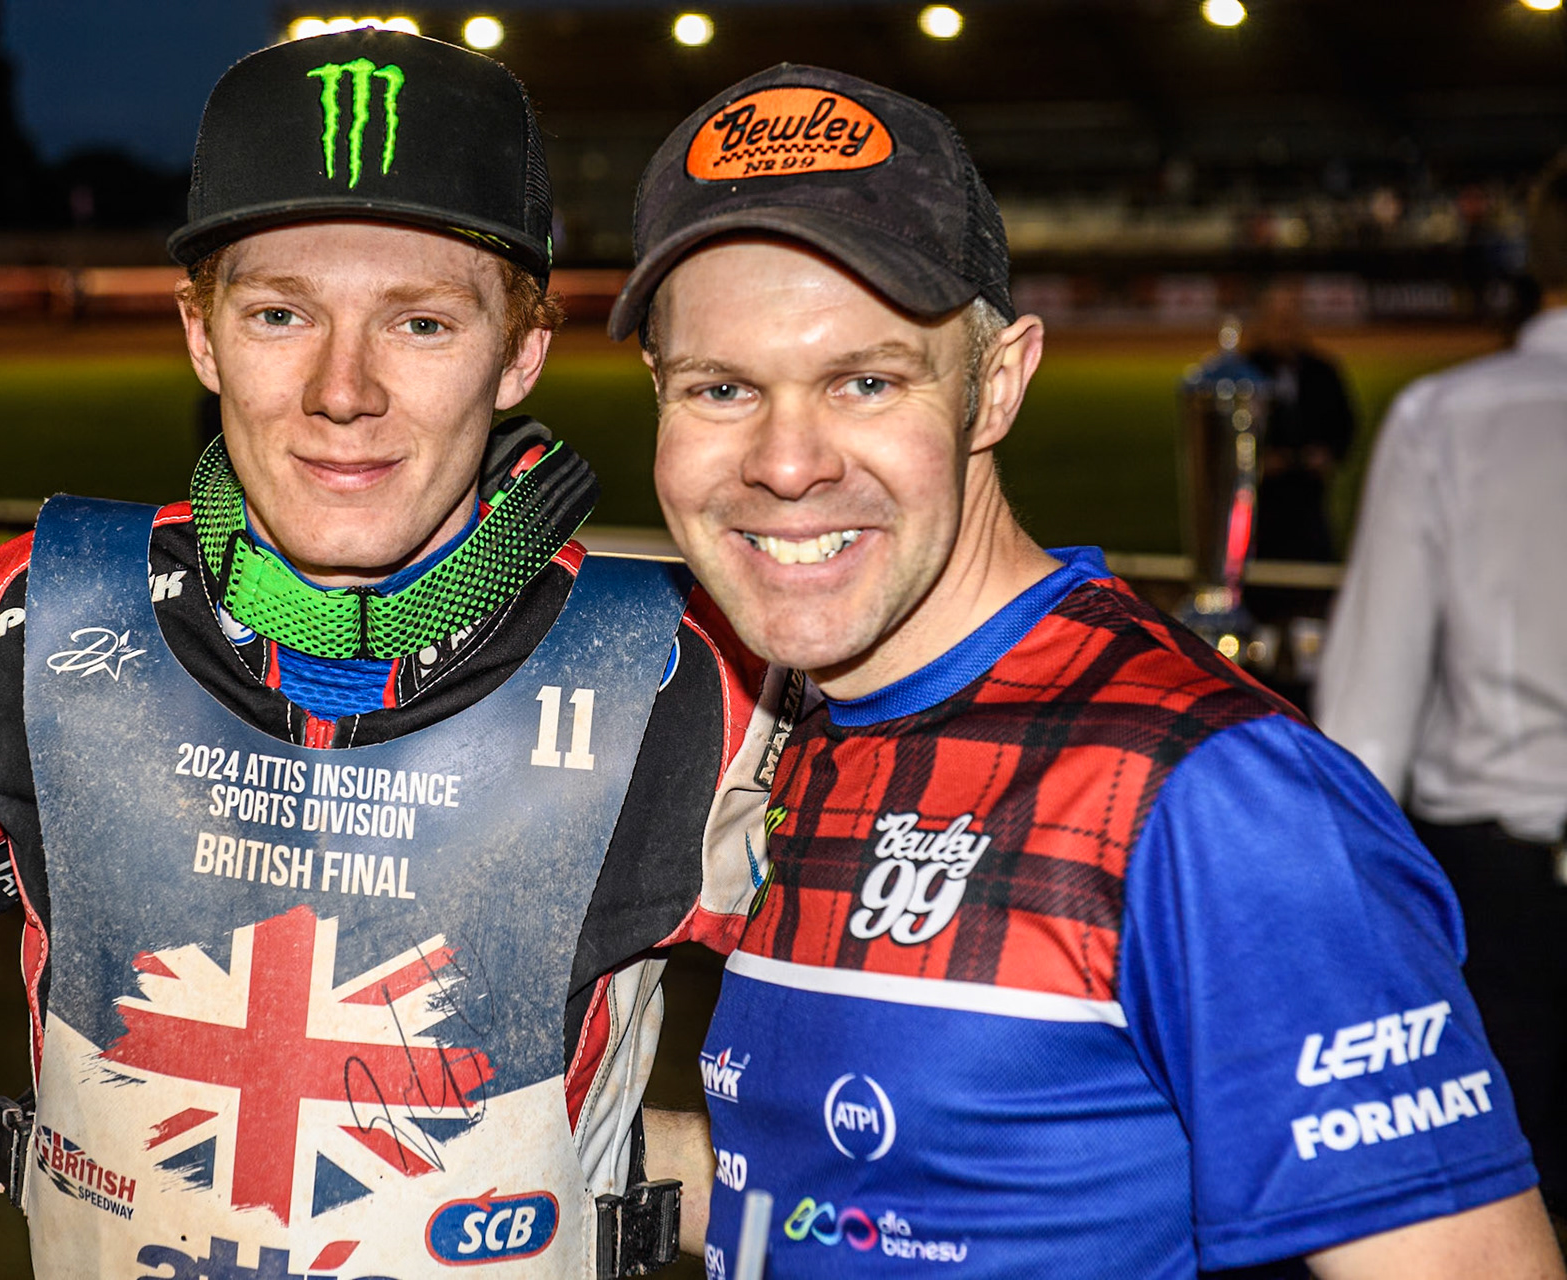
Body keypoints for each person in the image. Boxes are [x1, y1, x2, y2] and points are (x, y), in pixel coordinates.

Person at [0, 30, 790, 1278]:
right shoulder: (38, 614)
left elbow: (881, 1096)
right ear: (201, 334)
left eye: (419, 322)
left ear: (521, 350)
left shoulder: (688, 680)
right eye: (280, 313)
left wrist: (632, 1169)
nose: (341, 390)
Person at [607, 64, 1563, 1277]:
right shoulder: (786, 727)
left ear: (997, 385)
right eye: (722, 387)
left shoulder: (1214, 793)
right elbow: (844, 1192)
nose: (785, 461)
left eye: (866, 381)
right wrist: (531, 1152)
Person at [1317, 152, 1567, 1214]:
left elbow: (1368, 710)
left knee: (1507, 1202)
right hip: (1506, 878)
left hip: (1508, 892)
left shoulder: (1446, 417)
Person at [1244, 278, 1359, 562]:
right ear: (1262, 321)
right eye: (1277, 319)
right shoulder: (1243, 373)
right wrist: (1256, 461)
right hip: (1258, 509)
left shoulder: (1322, 371)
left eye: (1290, 318)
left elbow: (1344, 422)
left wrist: (1328, 453)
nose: (1284, 327)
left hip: (1309, 503)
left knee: (1312, 573)